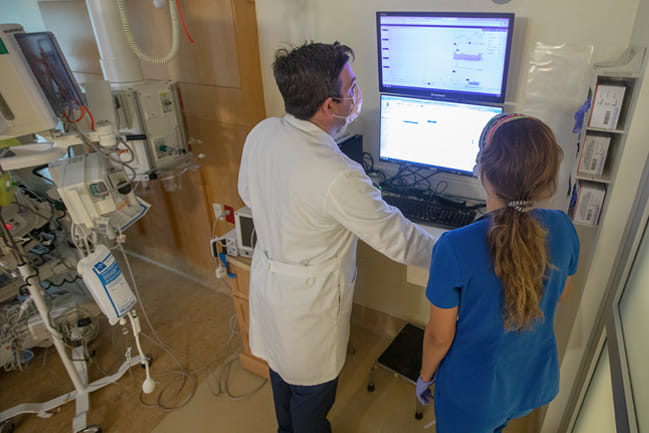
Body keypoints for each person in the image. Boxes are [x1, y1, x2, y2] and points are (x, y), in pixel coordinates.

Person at [237, 41, 436, 433]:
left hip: (271, 284)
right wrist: (452, 250)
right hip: (308, 308)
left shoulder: (262, 132)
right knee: (312, 394)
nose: (359, 94)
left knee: (281, 374)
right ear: (330, 106)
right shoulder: (338, 176)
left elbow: (248, 192)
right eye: (354, 86)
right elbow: (400, 240)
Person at [416, 113, 580, 433]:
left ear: (483, 169)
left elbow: (439, 336)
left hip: (473, 393)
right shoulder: (562, 227)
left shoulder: (454, 246)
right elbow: (561, 293)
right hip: (525, 380)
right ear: (547, 176)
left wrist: (424, 377)